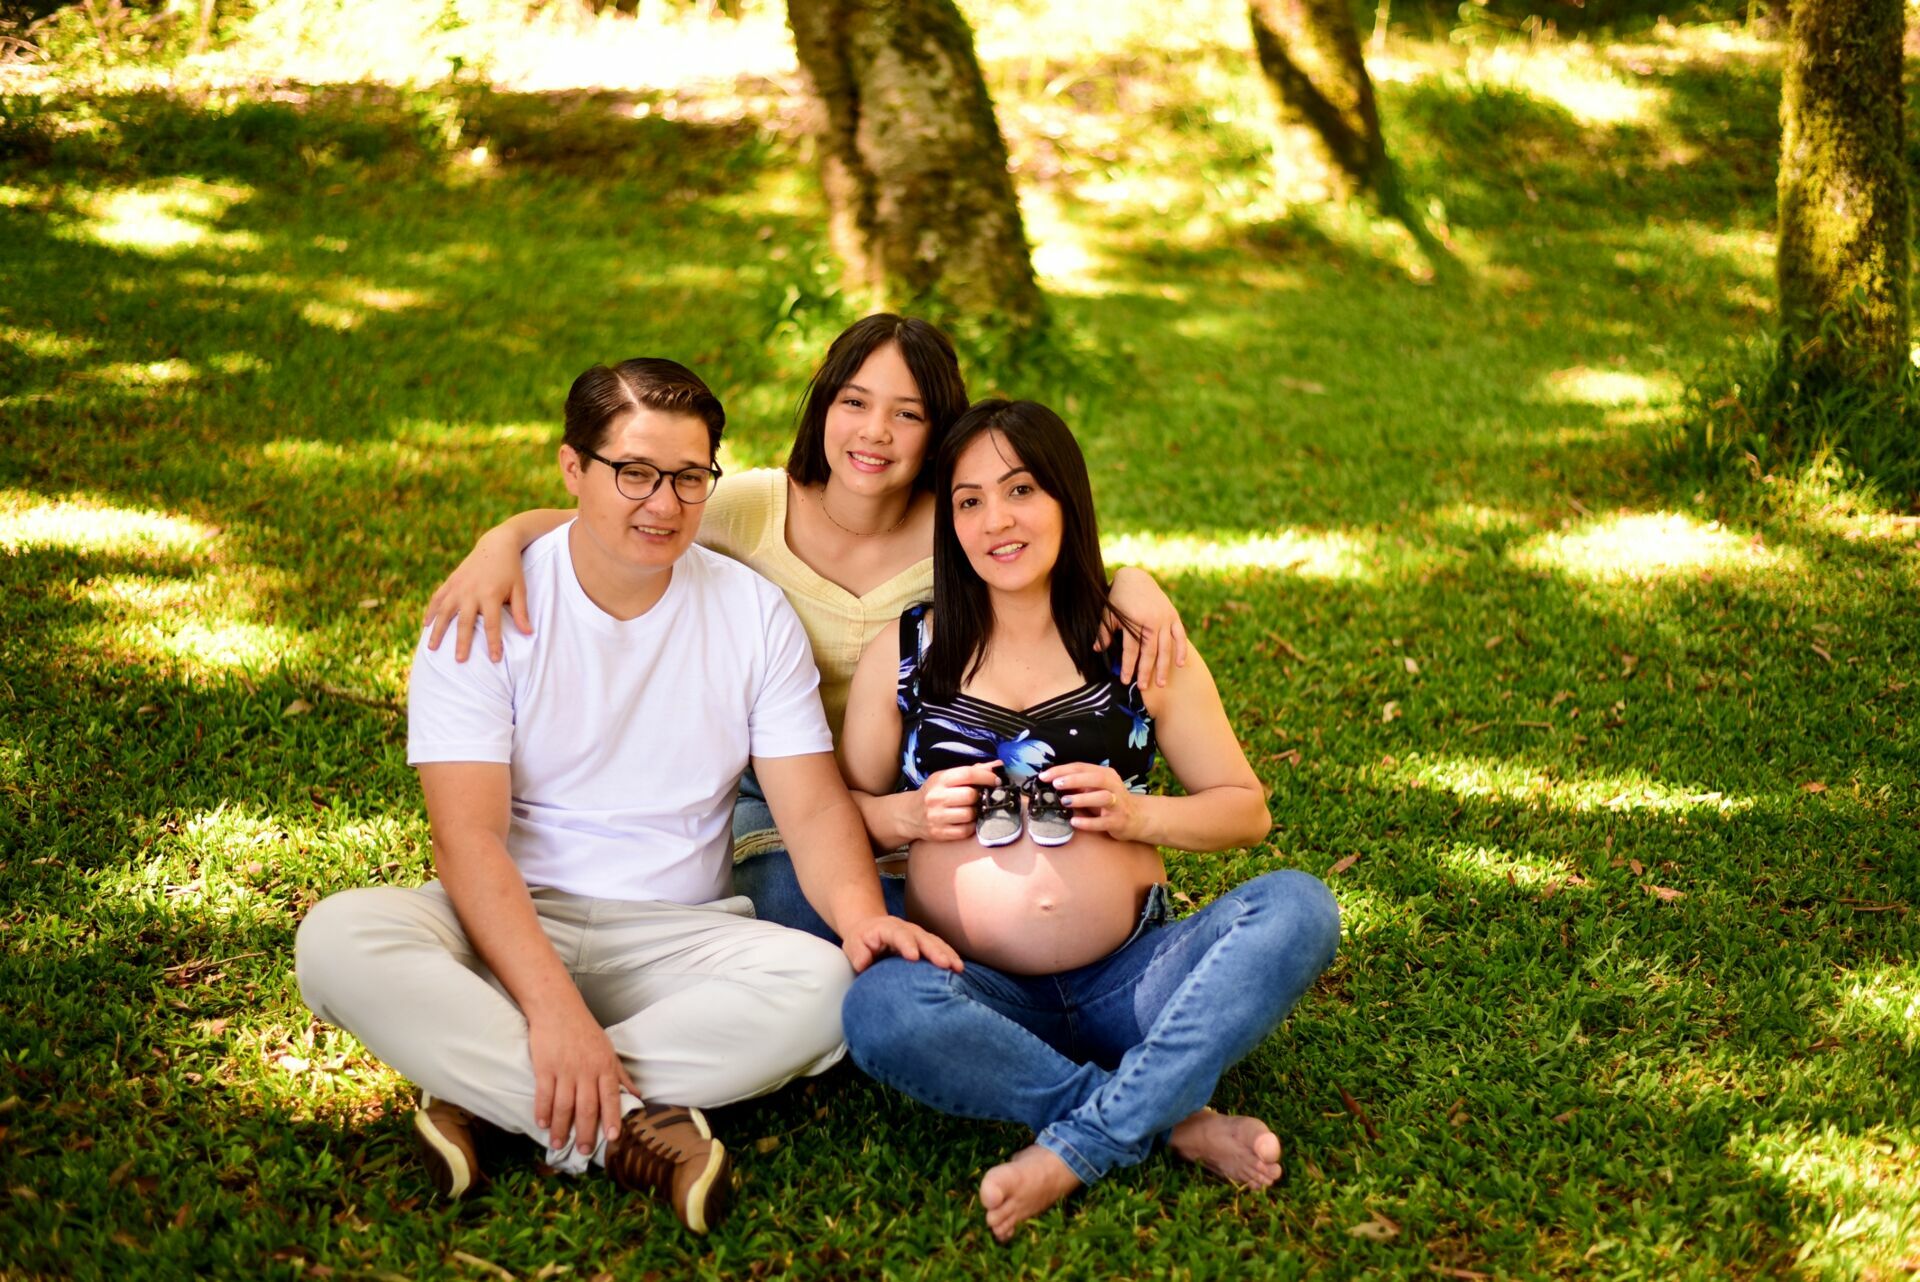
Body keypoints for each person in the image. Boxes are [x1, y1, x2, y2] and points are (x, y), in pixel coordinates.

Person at [294, 358, 957, 1234]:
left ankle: (489, 1093)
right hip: (505, 920)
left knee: (828, 979)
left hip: (681, 935)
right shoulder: (484, 610)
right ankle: (623, 1125)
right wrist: (555, 1011)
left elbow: (812, 805)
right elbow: (467, 843)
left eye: (689, 478)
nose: (663, 503)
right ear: (574, 470)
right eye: (634, 473)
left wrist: (860, 914)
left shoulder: (753, 614)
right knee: (338, 937)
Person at [419, 314, 1190, 938]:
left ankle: (983, 964)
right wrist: (503, 538)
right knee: (799, 919)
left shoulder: (958, 527)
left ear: (937, 433)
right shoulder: (752, 507)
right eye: (854, 401)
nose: (874, 431)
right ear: (823, 407)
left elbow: (1043, 554)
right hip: (785, 788)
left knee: (988, 909)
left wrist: (1131, 580)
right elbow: (624, 514)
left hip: (938, 779)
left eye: (908, 413)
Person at [834, 399, 1342, 1243]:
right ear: (948, 521)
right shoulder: (911, 648)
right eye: (968, 500)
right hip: (978, 990)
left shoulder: (1133, 639)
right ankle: (1167, 1119)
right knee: (879, 1009)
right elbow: (838, 811)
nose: (996, 520)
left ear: (1067, 496)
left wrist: (1139, 811)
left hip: (1138, 978)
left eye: (1021, 489)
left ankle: (1081, 1143)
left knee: (1298, 907)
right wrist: (906, 812)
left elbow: (1244, 809)